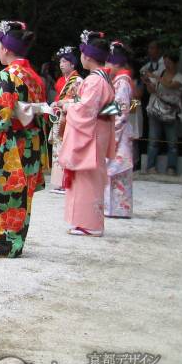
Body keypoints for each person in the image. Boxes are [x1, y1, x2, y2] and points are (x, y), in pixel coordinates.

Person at [0, 20, 48, 258]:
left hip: (11, 143)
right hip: (31, 142)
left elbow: (3, 118)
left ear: (5, 48)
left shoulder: (7, 76)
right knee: (21, 196)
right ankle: (15, 244)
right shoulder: (34, 76)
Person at [58, 31, 117, 237]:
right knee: (89, 175)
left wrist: (67, 107)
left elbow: (86, 110)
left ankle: (89, 223)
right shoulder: (103, 78)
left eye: (82, 53)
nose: (80, 57)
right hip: (98, 129)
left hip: (91, 132)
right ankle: (86, 221)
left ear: (88, 56)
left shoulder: (94, 81)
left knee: (87, 176)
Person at [105, 41, 136, 218]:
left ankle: (118, 208)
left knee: (116, 170)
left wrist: (101, 113)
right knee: (115, 172)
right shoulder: (120, 80)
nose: (107, 66)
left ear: (116, 62)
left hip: (119, 131)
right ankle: (116, 207)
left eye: (108, 62)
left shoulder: (122, 82)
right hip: (119, 129)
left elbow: (121, 109)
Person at [143, 51, 182, 175]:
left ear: (176, 63)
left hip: (171, 113)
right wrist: (147, 82)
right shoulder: (158, 73)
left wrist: (154, 77)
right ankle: (151, 167)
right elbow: (151, 90)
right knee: (153, 141)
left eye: (169, 62)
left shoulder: (180, 77)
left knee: (172, 143)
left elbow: (170, 85)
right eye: (165, 62)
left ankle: (171, 168)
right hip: (155, 110)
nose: (166, 65)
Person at [49, 46, 83, 194]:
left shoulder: (78, 81)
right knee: (57, 150)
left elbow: (79, 101)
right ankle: (58, 182)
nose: (61, 64)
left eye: (65, 61)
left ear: (73, 64)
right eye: (60, 61)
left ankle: (66, 182)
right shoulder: (61, 81)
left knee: (66, 149)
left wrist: (64, 104)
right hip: (59, 117)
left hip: (69, 119)